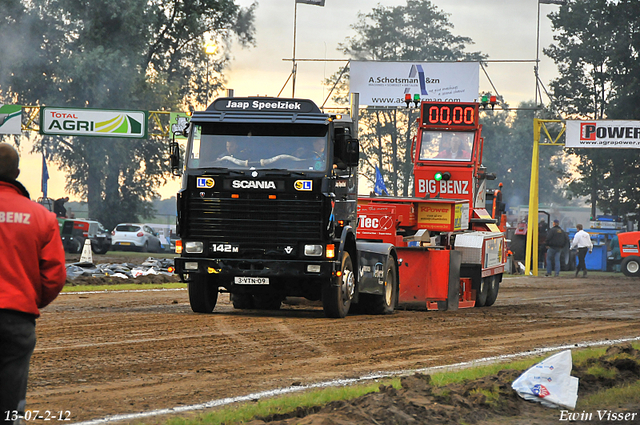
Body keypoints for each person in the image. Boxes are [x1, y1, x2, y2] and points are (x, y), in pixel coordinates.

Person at [0, 143, 66, 423]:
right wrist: (28, 299)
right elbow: (55, 274)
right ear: (16, 172)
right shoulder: (41, 216)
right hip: (17, 317)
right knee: (10, 399)